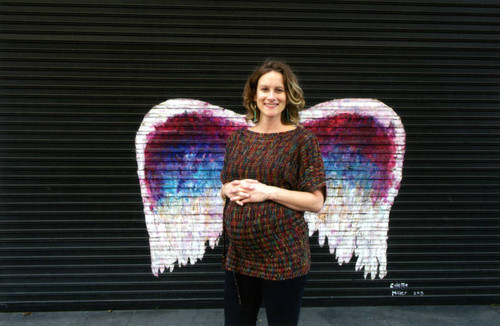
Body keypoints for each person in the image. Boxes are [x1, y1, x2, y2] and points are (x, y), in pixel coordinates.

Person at [220, 59, 327, 326]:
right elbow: (225, 188)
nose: (271, 96)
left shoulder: (302, 140)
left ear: (288, 96)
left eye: (278, 90)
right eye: (265, 89)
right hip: (239, 258)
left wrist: (268, 192)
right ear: (254, 95)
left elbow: (315, 202)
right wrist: (225, 190)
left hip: (284, 258)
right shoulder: (237, 139)